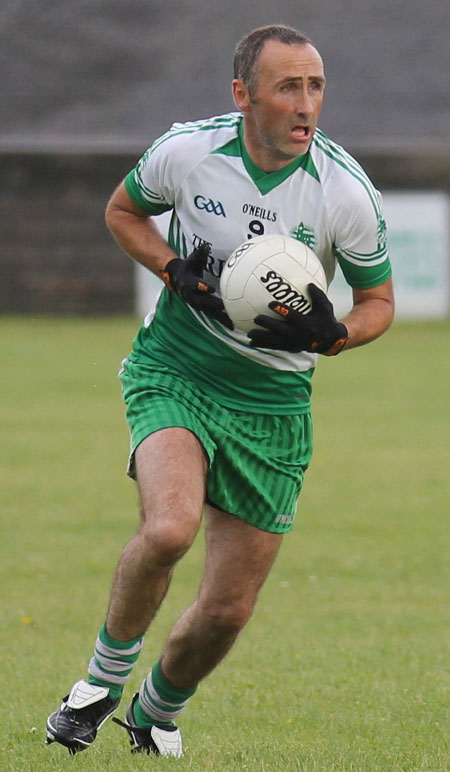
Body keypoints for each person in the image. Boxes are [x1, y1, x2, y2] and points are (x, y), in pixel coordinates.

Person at [45, 24, 394, 758]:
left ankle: (153, 711)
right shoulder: (189, 152)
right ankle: (96, 687)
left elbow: (378, 302)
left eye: (316, 86)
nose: (307, 105)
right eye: (288, 87)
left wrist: (333, 336)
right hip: (177, 367)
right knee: (169, 528)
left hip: (273, 403)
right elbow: (122, 212)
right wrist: (174, 269)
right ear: (243, 94)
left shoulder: (345, 192)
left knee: (229, 611)